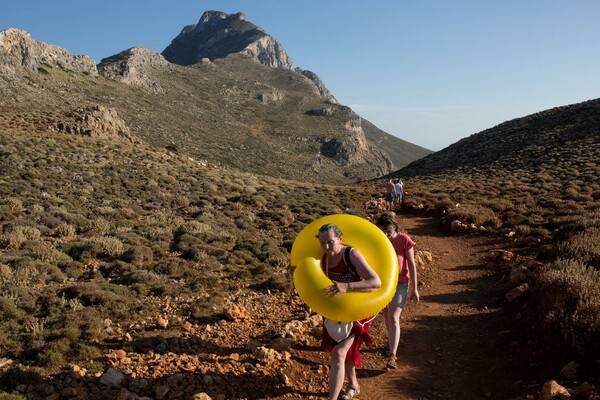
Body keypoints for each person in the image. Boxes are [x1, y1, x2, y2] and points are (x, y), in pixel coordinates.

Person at [317, 223, 382, 400]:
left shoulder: (350, 255)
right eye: (322, 243)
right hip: (335, 313)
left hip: (357, 313)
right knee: (344, 354)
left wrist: (347, 286)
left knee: (338, 353)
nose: (326, 247)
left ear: (340, 239)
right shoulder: (322, 257)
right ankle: (353, 385)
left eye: (330, 242)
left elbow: (375, 282)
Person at [376, 213, 419, 369]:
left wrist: (415, 288)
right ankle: (391, 342)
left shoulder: (404, 239)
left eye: (387, 229)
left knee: (394, 317)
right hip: (384, 285)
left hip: (400, 283)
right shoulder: (379, 241)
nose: (385, 233)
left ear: (394, 226)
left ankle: (392, 355)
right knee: (387, 314)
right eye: (381, 230)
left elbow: (412, 264)